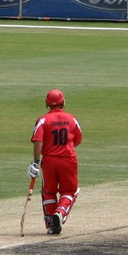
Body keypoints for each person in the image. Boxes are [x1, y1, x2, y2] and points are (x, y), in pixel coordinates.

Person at [29, 89, 83, 235]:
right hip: (68, 159)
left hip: (49, 161)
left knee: (48, 191)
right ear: (63, 103)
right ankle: (60, 213)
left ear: (47, 104)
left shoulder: (43, 120)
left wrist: (35, 162)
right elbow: (77, 140)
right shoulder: (72, 119)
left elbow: (38, 141)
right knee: (70, 191)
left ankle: (52, 225)